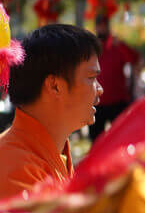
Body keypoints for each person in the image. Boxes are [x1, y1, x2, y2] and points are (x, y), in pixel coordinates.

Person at [0, 24, 103, 197]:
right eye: (91, 78)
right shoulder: (17, 170)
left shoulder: (48, 152)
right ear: (54, 86)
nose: (100, 89)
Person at [89, 14, 142, 142]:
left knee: (122, 139)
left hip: (118, 101)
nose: (102, 29)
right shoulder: (91, 48)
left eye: (104, 26)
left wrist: (121, 45)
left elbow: (136, 59)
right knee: (96, 141)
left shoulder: (118, 45)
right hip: (97, 101)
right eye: (99, 26)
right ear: (96, 28)